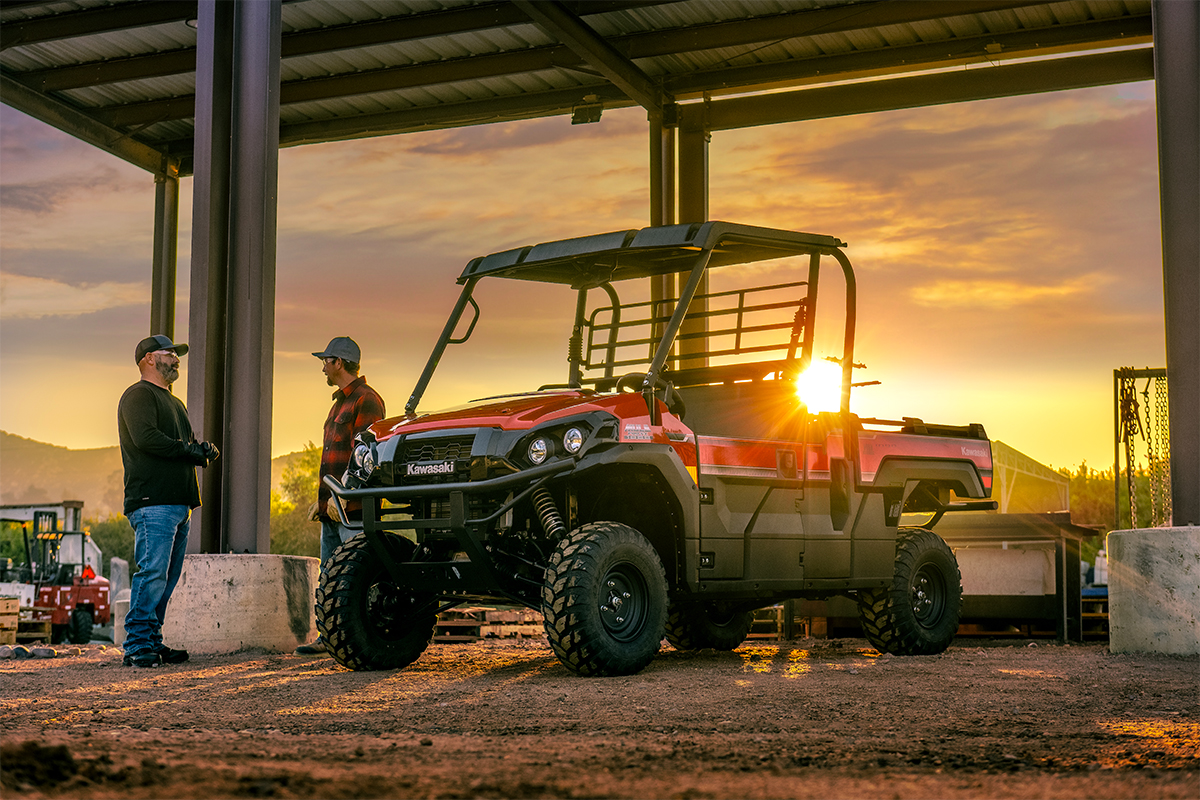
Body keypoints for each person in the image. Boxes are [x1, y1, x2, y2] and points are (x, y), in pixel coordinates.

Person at [117, 334, 219, 668]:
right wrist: (190, 451)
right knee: (152, 573)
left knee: (167, 577)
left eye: (177, 354)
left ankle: (152, 640)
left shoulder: (175, 403)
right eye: (169, 353)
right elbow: (147, 439)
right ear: (148, 358)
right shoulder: (138, 395)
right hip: (152, 501)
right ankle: (136, 645)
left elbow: (180, 445)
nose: (176, 359)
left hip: (179, 502)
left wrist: (201, 450)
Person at [294, 336, 385, 655]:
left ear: (339, 363)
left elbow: (366, 454)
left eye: (326, 361)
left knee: (354, 576)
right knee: (330, 575)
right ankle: (329, 637)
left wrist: (344, 495)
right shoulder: (338, 404)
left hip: (353, 508)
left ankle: (363, 638)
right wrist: (322, 501)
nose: (323, 368)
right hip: (333, 508)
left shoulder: (367, 400)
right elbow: (333, 458)